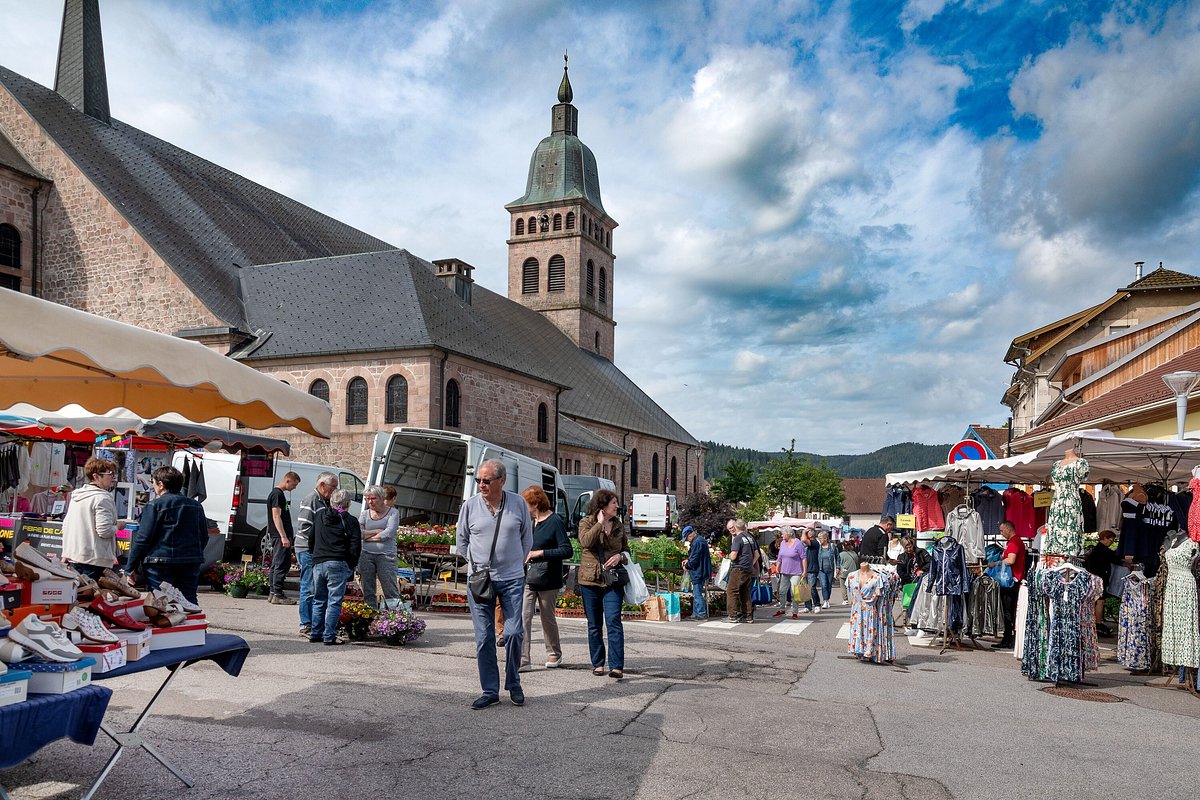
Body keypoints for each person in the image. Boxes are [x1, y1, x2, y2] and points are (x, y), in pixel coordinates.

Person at [456, 459, 533, 708]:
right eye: (478, 480)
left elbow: (526, 539)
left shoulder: (518, 503)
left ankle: (513, 682)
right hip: (479, 580)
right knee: (484, 637)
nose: (481, 485)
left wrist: (516, 563)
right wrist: (476, 565)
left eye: (486, 480)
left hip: (511, 578)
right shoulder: (470, 506)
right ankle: (490, 690)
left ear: (501, 481)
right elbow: (462, 540)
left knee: (513, 632)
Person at [126, 466, 208, 604]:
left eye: (153, 482)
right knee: (189, 601)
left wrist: (130, 567)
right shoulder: (195, 505)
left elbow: (143, 539)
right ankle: (194, 625)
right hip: (189, 561)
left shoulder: (155, 505)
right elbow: (204, 536)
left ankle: (168, 624)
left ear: (161, 484)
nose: (153, 487)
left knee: (162, 603)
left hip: (159, 563)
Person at [578, 489, 629, 677]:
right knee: (594, 624)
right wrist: (599, 524)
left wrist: (620, 556)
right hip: (590, 580)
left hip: (613, 580)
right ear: (602, 505)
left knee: (614, 620)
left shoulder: (619, 525)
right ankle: (598, 663)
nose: (617, 506)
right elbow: (585, 542)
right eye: (614, 503)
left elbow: (626, 550)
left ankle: (616, 666)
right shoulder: (586, 522)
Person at [520, 486, 571, 670]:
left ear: (535, 504)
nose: (524, 507)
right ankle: (523, 658)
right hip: (528, 576)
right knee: (523, 616)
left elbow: (566, 549)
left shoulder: (555, 521)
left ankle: (554, 653)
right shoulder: (531, 522)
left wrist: (540, 553)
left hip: (548, 577)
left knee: (547, 617)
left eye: (526, 504)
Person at [308, 488, 362, 646]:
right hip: (337, 562)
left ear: (331, 502)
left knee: (318, 599)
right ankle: (329, 635)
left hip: (318, 562)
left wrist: (314, 555)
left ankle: (315, 633)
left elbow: (311, 538)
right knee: (334, 601)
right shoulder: (350, 520)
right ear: (348, 504)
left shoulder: (319, 515)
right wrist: (351, 565)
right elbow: (355, 546)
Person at [61, 457, 122, 580]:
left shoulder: (76, 495)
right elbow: (104, 531)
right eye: (110, 474)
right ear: (96, 476)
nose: (113, 478)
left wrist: (66, 552)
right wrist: (119, 526)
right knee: (91, 595)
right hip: (94, 559)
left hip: (75, 556)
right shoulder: (102, 498)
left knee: (79, 594)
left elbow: (66, 524)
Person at [295, 472, 338, 639]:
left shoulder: (324, 500)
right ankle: (305, 624)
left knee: (315, 587)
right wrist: (318, 545)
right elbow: (304, 527)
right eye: (333, 486)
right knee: (308, 586)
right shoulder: (311, 499)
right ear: (322, 485)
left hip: (315, 550)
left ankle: (314, 623)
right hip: (307, 548)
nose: (335, 490)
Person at [984, 520, 1027, 650]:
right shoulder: (1014, 542)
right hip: (1012, 579)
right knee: (1008, 610)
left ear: (1008, 529)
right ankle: (1008, 638)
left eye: (1002, 531)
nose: (1001, 534)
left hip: (1011, 581)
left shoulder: (1014, 542)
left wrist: (996, 563)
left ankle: (1008, 639)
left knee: (1008, 610)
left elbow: (1011, 560)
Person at [358, 486, 401, 609]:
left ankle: (396, 619)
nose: (369, 501)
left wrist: (367, 536)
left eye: (373, 498)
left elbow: (388, 533)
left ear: (382, 498)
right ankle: (370, 615)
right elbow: (358, 533)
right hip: (366, 555)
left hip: (386, 556)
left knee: (390, 588)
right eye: (367, 499)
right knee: (368, 588)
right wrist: (377, 531)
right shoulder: (365, 514)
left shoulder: (393, 513)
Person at [267, 471, 300, 605]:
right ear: (288, 481)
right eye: (294, 484)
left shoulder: (278, 495)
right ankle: (277, 594)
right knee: (281, 563)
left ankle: (273, 592)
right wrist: (283, 536)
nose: (295, 487)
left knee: (277, 563)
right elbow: (276, 516)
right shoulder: (277, 495)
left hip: (279, 535)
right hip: (279, 535)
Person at [1084, 530, 1121, 635]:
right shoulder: (1103, 550)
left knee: (1096, 601)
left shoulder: (1097, 550)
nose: (1111, 541)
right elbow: (1116, 559)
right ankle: (1098, 623)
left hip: (1094, 578)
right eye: (1110, 539)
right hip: (1099, 579)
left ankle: (1096, 622)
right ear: (1104, 538)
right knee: (1100, 601)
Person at [725, 519, 758, 623]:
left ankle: (732, 616)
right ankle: (748, 616)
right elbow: (757, 554)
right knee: (745, 592)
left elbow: (733, 556)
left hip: (739, 568)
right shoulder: (750, 537)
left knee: (732, 590)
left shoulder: (738, 539)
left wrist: (730, 555)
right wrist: (750, 564)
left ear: (736, 527)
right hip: (749, 569)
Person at [773, 526, 806, 618]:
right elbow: (780, 557)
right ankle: (782, 609)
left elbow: (803, 558)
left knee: (794, 592)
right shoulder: (783, 543)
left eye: (783, 533)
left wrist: (804, 571)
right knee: (782, 591)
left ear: (789, 534)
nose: (782, 535)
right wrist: (777, 567)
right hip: (785, 571)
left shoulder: (798, 543)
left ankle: (795, 612)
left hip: (796, 572)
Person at [894, 536, 930, 619]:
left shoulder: (921, 552)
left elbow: (930, 563)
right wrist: (909, 579)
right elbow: (900, 571)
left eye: (910, 547)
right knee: (909, 604)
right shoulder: (901, 557)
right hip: (908, 583)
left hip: (921, 582)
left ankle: (917, 622)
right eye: (906, 548)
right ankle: (910, 621)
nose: (909, 549)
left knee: (920, 604)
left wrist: (922, 570)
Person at [682, 525, 712, 620]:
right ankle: (696, 614)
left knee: (697, 593)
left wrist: (687, 566)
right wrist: (688, 560)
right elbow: (695, 557)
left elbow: (695, 559)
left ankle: (701, 614)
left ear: (690, 535)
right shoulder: (699, 541)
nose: (687, 540)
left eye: (687, 538)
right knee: (696, 593)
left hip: (698, 571)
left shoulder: (697, 542)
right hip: (700, 570)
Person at [816, 531, 838, 610]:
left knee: (829, 586)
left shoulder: (832, 546)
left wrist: (838, 567)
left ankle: (827, 599)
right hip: (821, 569)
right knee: (824, 585)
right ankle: (825, 601)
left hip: (830, 569)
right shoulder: (819, 547)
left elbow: (837, 557)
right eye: (819, 538)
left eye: (821, 538)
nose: (820, 540)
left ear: (825, 538)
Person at [803, 528, 823, 612]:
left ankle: (817, 604)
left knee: (812, 587)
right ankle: (807, 606)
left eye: (806, 533)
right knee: (805, 588)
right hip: (805, 568)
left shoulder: (814, 542)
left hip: (812, 568)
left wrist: (804, 532)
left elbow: (804, 539)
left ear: (810, 535)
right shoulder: (806, 545)